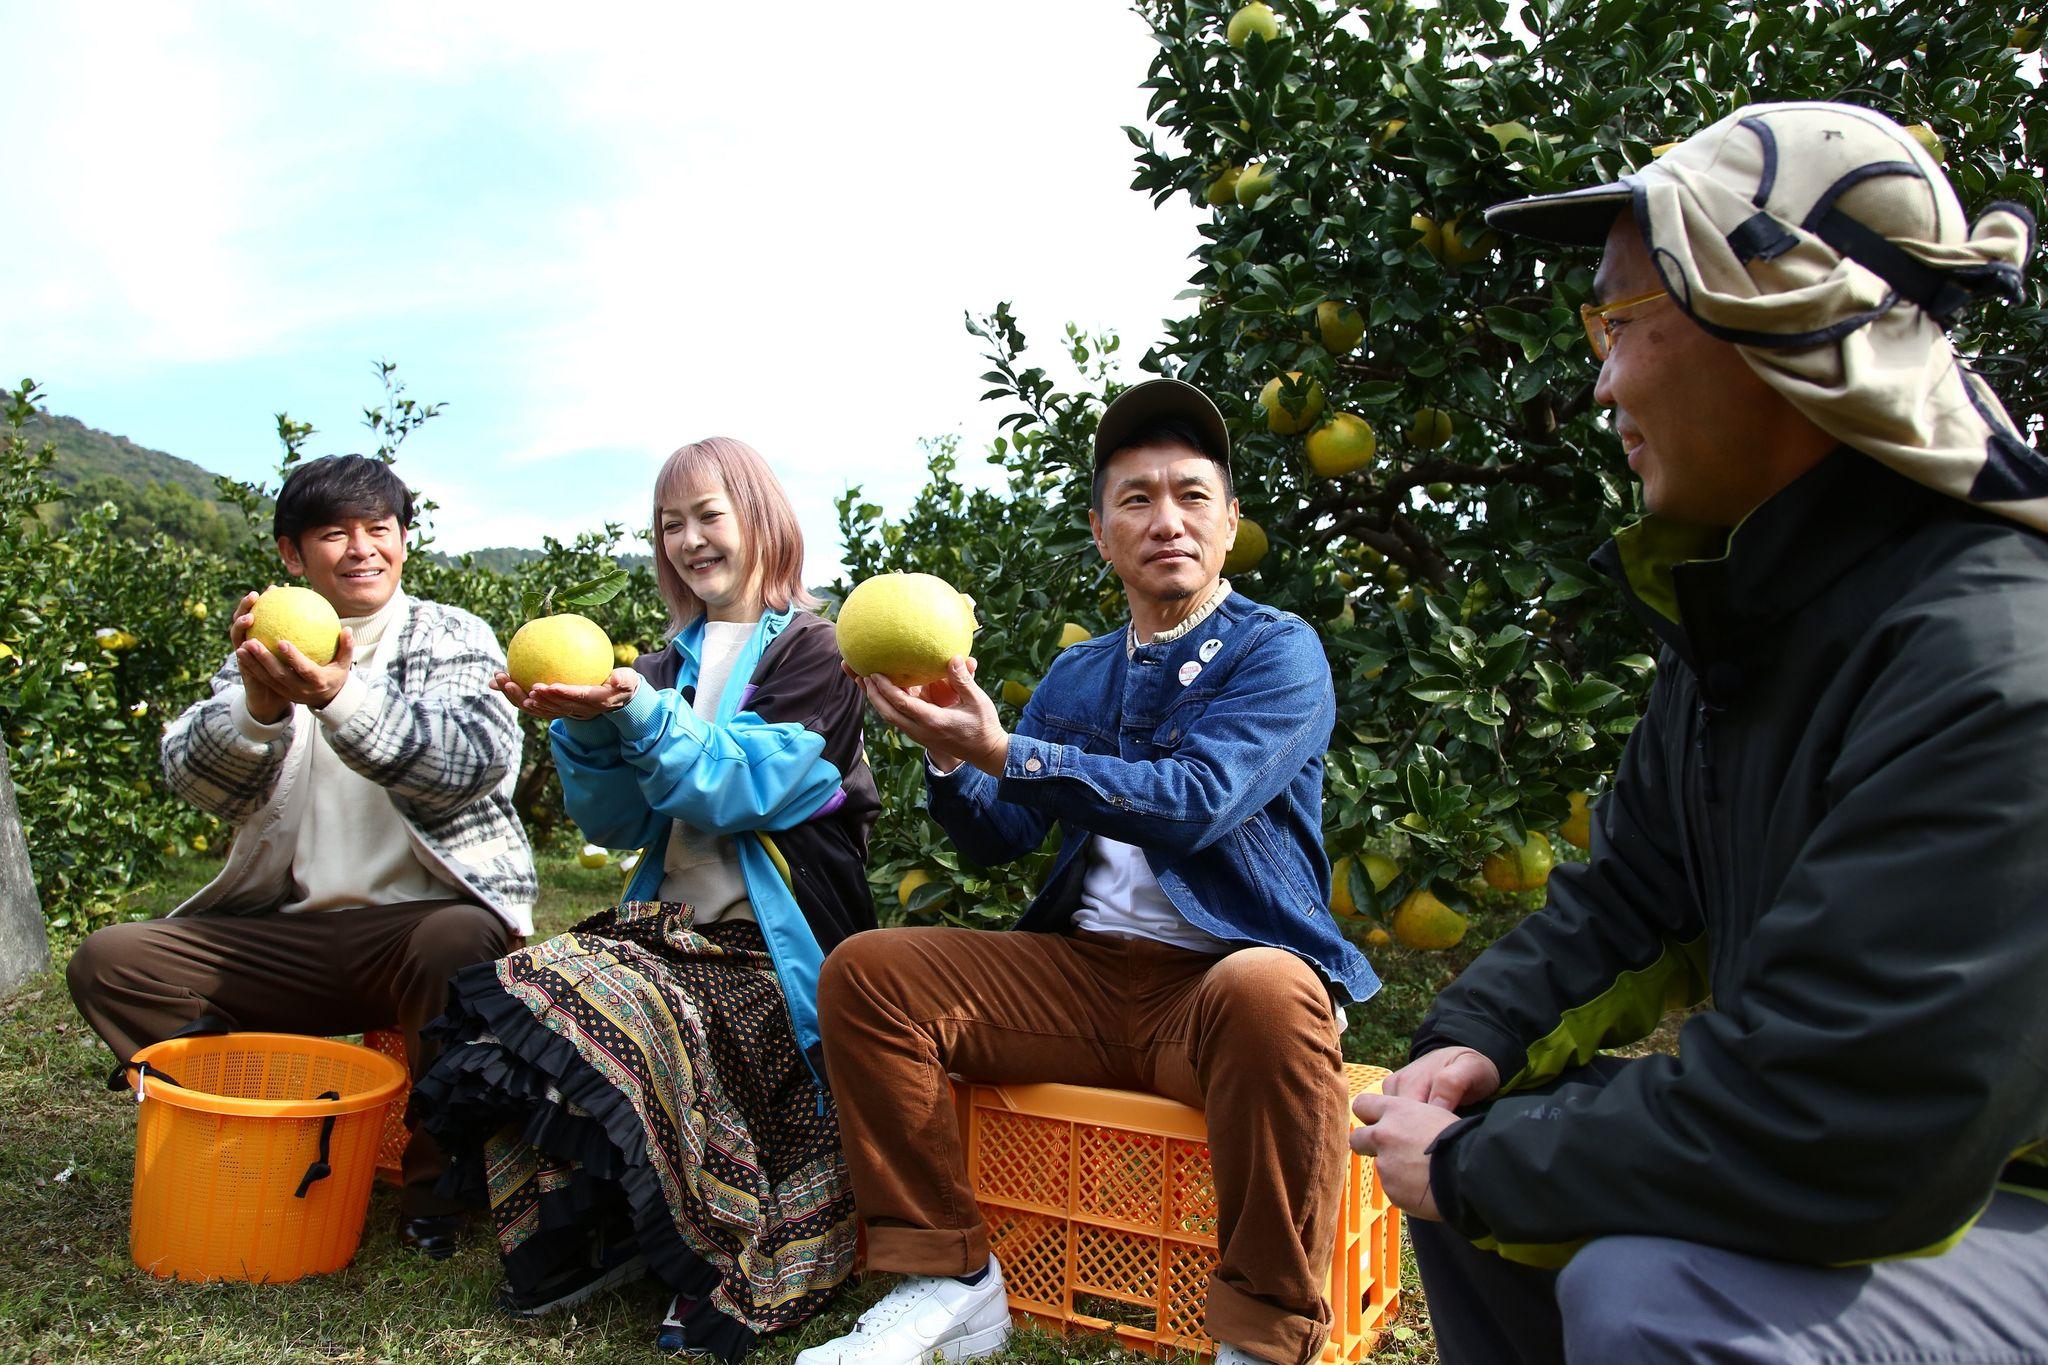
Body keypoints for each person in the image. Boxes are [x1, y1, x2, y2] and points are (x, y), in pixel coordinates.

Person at [1349, 101, 2048, 1363]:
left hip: (1993, 1190)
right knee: (1487, 1195)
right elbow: (1637, 895)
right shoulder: (1753, 614)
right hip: (1910, 1170)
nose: (1601, 380)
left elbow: (1844, 1124)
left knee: (1652, 1293)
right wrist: (1472, 1044)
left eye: (1622, 323)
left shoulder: (1994, 662)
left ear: (1775, 327)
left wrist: (1479, 1165)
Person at [801, 378, 1379, 1365]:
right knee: (868, 972)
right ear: (1099, 530)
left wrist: (1004, 753)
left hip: (1218, 985)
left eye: (1192, 496)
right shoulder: (1078, 676)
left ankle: (1263, 1334)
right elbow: (1000, 838)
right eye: (1136, 499)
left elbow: (1196, 799)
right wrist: (949, 754)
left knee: (1274, 989)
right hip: (1081, 982)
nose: (1166, 521)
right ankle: (950, 1279)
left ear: (1230, 523)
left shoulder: (1278, 653)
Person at [411, 436, 879, 1360]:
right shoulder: (667, 662)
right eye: (672, 525)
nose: (691, 540)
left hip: (765, 950)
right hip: (666, 928)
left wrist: (635, 711)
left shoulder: (822, 655)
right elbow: (626, 818)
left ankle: (704, 1247)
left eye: (711, 515)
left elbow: (738, 785)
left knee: (638, 1012)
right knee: (529, 986)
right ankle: (609, 1224)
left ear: (762, 520)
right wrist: (585, 729)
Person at [67, 453, 536, 1256]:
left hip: (417, 927)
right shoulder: (264, 641)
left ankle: (437, 1190)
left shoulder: (453, 633)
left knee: (456, 942)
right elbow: (193, 775)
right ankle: (250, 1120)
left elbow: (472, 760)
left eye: (378, 530)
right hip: (292, 935)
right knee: (111, 961)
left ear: (403, 541)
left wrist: (340, 698)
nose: (361, 549)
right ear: (293, 554)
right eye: (333, 533)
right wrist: (259, 706)